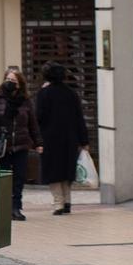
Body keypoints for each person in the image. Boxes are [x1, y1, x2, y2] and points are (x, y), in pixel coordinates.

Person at [33, 62, 88, 216]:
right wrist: (84, 140)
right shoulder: (71, 93)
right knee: (67, 169)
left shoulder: (43, 94)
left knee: (53, 170)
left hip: (50, 138)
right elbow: (79, 117)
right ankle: (68, 200)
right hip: (70, 138)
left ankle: (58, 203)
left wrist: (36, 139)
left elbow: (39, 117)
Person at [0, 65, 37, 222]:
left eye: (13, 80)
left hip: (21, 144)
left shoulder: (25, 102)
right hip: (3, 146)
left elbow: (32, 123)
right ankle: (5, 208)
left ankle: (16, 208)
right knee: (5, 176)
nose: (10, 82)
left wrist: (38, 142)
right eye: (7, 79)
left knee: (19, 178)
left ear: (19, 83)